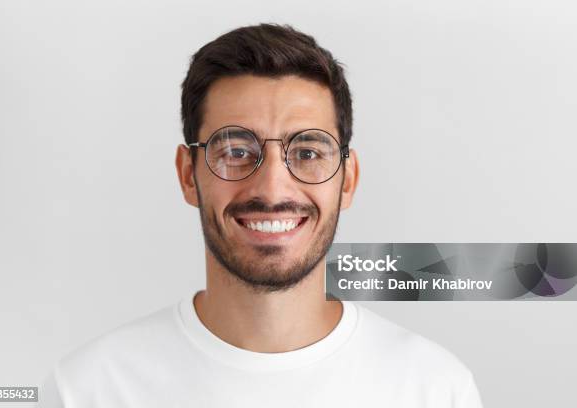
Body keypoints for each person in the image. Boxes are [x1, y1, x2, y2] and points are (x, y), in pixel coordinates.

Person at [39, 23, 483, 407]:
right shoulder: (87, 390)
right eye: (235, 150)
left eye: (307, 151)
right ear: (188, 175)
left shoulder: (435, 389)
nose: (272, 188)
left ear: (347, 179)